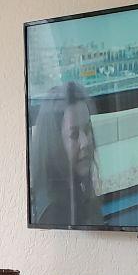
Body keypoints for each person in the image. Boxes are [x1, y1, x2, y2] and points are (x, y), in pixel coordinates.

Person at [29, 82, 102, 226]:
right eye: (74, 135)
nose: (85, 142)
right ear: (54, 142)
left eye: (87, 129)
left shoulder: (72, 188)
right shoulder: (54, 212)